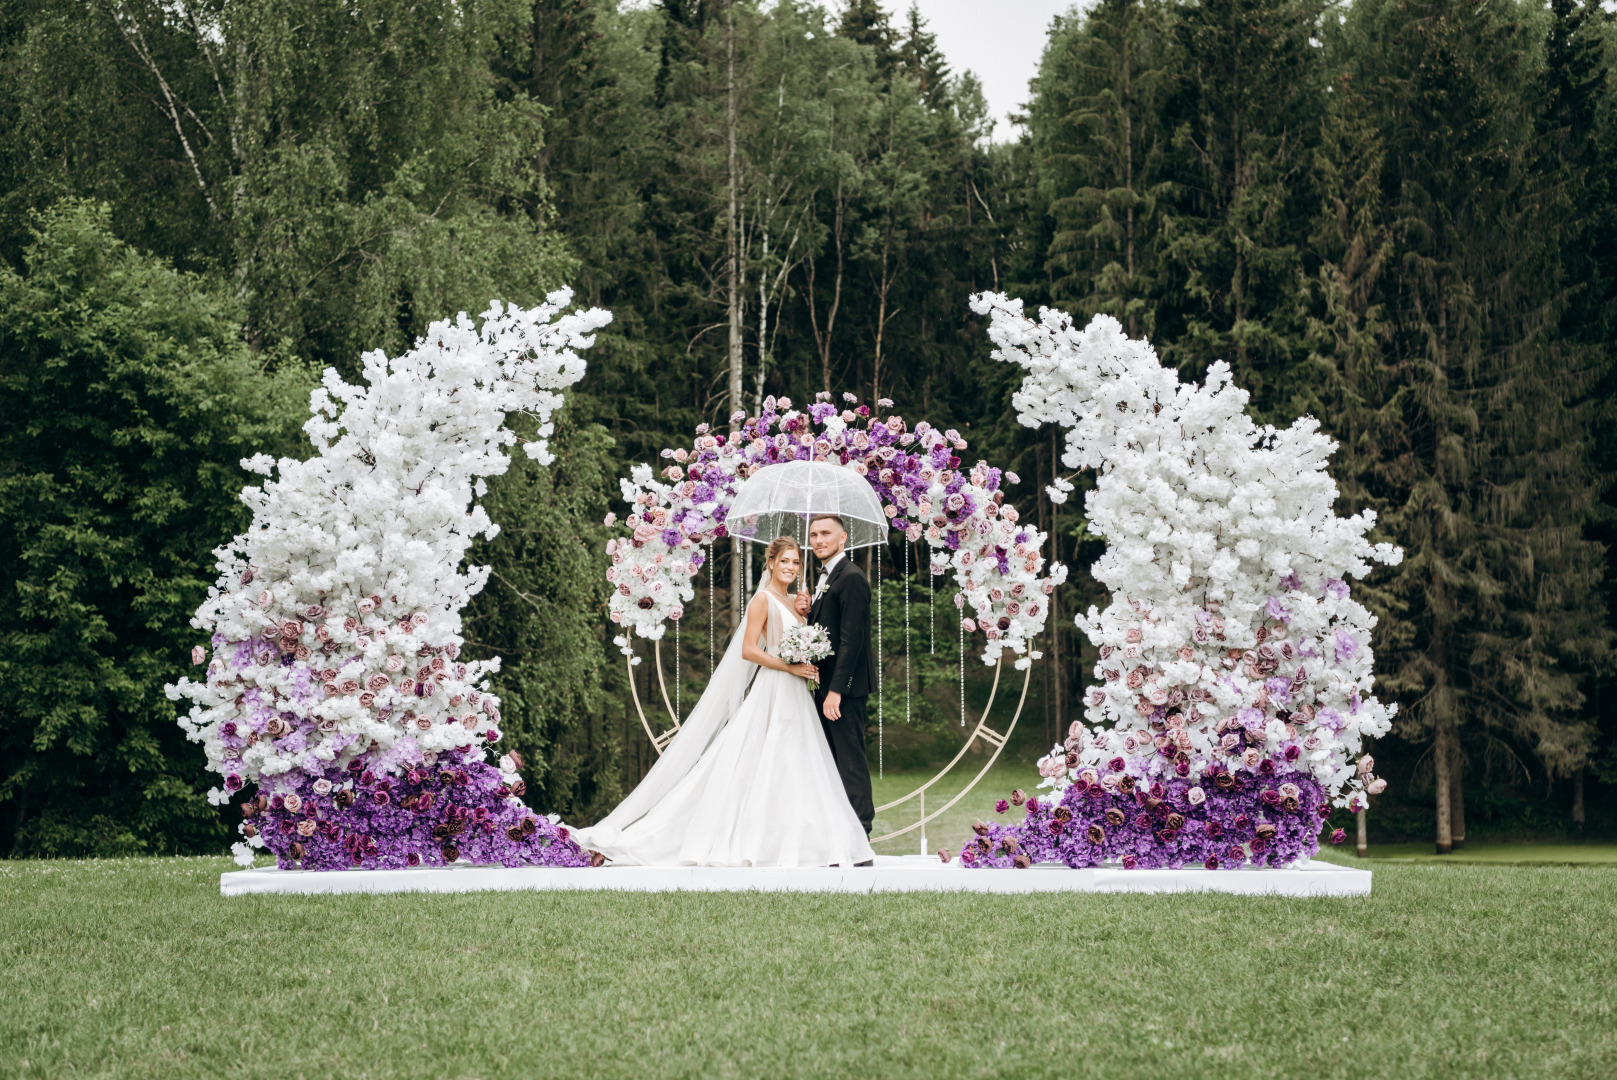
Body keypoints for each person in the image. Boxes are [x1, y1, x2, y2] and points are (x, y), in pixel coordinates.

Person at [573, 535, 875, 867]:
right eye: (784, 561)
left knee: (796, 761)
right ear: (771, 562)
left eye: (796, 562)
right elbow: (749, 650)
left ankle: (795, 841)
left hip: (797, 692)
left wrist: (804, 616)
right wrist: (790, 665)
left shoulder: (794, 602)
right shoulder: (762, 599)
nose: (790, 567)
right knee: (765, 757)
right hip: (775, 686)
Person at [795, 514, 876, 842]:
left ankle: (860, 836)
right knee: (829, 761)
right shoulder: (825, 578)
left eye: (825, 533)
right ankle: (837, 834)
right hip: (824, 686)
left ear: (843, 538)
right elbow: (826, 630)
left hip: (844, 690)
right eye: (813, 534)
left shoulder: (851, 577)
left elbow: (851, 641)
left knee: (849, 760)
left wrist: (835, 692)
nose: (818, 540)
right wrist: (807, 611)